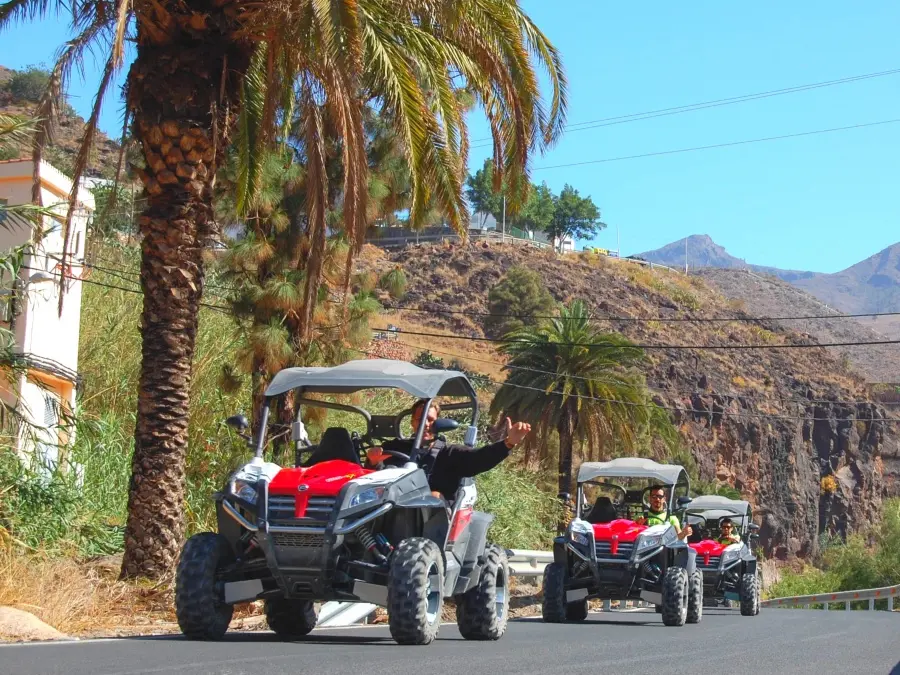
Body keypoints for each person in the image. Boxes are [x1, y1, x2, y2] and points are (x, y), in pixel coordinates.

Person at [365, 399, 531, 501]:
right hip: (392, 505)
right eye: (420, 419)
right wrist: (373, 462)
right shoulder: (395, 447)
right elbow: (373, 477)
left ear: (439, 424)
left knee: (434, 496)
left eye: (430, 420)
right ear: (412, 423)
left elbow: (479, 459)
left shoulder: (449, 453)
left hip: (434, 514)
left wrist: (508, 443)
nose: (426, 424)